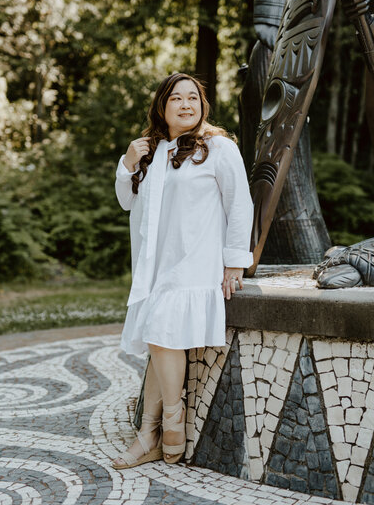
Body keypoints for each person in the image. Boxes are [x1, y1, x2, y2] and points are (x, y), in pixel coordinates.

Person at [112, 72, 254, 469]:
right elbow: (127, 200)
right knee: (160, 337)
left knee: (160, 330)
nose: (187, 104)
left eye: (194, 97)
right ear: (162, 106)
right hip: (156, 267)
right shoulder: (153, 152)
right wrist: (127, 162)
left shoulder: (219, 148)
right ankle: (151, 435)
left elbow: (239, 204)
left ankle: (166, 428)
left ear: (203, 106)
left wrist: (234, 262)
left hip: (195, 263)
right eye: (177, 98)